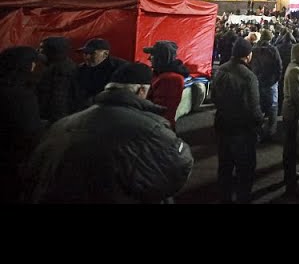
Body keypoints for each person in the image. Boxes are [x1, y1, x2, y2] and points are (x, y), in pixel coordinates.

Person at [22, 63, 193, 203]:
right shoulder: (151, 128)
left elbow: (35, 170)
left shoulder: (63, 123)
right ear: (141, 91)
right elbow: (178, 167)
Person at [212, 38, 263, 204]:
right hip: (243, 130)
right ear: (248, 55)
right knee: (245, 170)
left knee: (225, 167)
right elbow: (254, 108)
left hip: (223, 125)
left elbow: (213, 97)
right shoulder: (249, 76)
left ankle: (224, 198)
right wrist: (259, 122)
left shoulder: (220, 70)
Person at [0, 46, 45, 203]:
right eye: (33, 63)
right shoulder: (21, 96)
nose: (34, 68)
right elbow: (30, 134)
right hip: (11, 166)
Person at [281, 43, 299, 199]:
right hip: (292, 113)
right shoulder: (295, 71)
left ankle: (290, 175)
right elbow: (296, 96)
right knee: (290, 149)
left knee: (291, 147)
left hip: (291, 112)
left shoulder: (295, 67)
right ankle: (291, 185)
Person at [143, 40, 191, 129]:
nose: (149, 58)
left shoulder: (171, 79)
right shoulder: (160, 74)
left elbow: (161, 111)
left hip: (157, 128)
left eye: (152, 55)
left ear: (160, 58)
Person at [75, 38, 128, 110]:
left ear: (105, 54)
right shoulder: (80, 69)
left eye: (92, 53)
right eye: (85, 53)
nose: (87, 57)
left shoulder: (121, 68)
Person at [250, 29, 282, 142]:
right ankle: (271, 132)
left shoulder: (253, 49)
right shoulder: (273, 50)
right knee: (273, 107)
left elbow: (250, 65)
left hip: (257, 81)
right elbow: (279, 67)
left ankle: (258, 132)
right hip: (271, 82)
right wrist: (275, 80)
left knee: (258, 106)